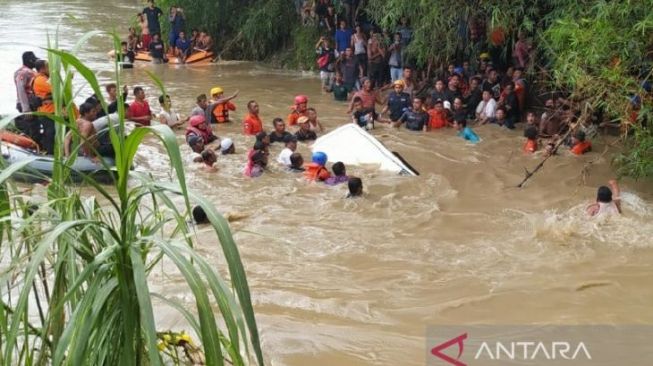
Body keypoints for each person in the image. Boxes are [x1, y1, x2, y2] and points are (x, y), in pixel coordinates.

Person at [13, 51, 38, 134]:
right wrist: (26, 108)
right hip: (27, 104)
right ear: (30, 61)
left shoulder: (24, 71)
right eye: (34, 60)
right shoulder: (24, 72)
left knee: (33, 127)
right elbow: (21, 89)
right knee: (31, 128)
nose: (35, 63)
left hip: (28, 103)